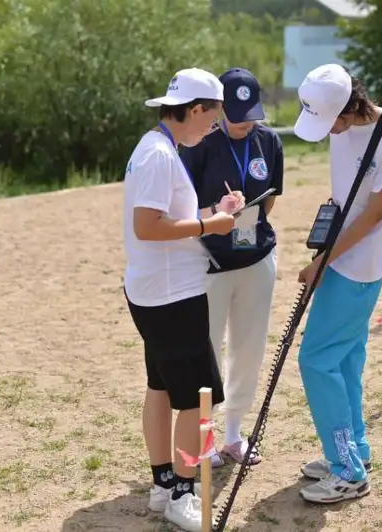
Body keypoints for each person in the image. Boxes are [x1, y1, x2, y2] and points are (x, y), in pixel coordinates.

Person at [122, 67, 245, 532]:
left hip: (156, 289)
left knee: (159, 386)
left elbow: (165, 217)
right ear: (195, 110)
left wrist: (213, 213)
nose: (213, 129)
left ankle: (162, 484)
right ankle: (183, 492)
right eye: (212, 120)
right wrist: (207, 227)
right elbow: (147, 226)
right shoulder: (158, 154)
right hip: (172, 295)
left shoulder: (156, 147)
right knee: (200, 397)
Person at [291, 63, 382, 504]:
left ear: (350, 106)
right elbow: (346, 197)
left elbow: (376, 212)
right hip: (341, 259)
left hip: (357, 268)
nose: (328, 133)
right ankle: (353, 449)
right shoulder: (341, 130)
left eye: (330, 123)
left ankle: (347, 471)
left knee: (316, 361)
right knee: (343, 363)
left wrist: (324, 260)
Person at [180, 67, 283, 467]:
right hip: (209, 260)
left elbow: (271, 198)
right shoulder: (200, 144)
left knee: (249, 346)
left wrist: (248, 219)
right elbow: (185, 204)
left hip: (256, 258)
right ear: (221, 108)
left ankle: (234, 434)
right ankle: (203, 437)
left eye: (250, 113)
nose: (243, 123)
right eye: (235, 114)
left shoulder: (270, 142)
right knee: (206, 348)